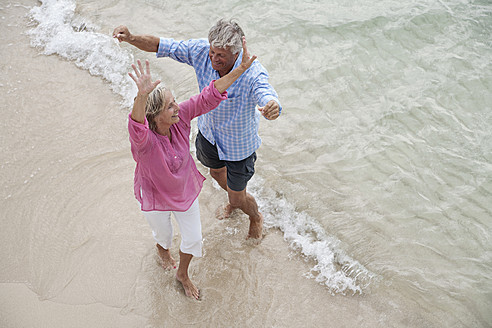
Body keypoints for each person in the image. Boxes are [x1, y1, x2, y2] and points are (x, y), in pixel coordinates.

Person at [114, 19, 282, 240]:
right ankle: (234, 199)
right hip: (208, 135)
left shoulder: (252, 71)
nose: (213, 58)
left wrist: (272, 106)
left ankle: (255, 216)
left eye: (220, 55)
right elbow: (162, 45)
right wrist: (131, 38)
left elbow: (265, 92)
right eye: (212, 51)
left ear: (236, 53)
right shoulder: (203, 51)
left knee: (237, 197)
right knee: (215, 173)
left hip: (238, 146)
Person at [128, 38, 256, 300]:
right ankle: (162, 249)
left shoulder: (181, 117)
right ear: (155, 116)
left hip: (184, 190)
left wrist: (240, 69)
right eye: (170, 106)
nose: (178, 107)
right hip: (154, 194)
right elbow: (136, 123)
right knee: (163, 235)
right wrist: (141, 95)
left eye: (175, 102)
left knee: (194, 240)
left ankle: (182, 274)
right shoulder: (144, 141)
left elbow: (207, 97)